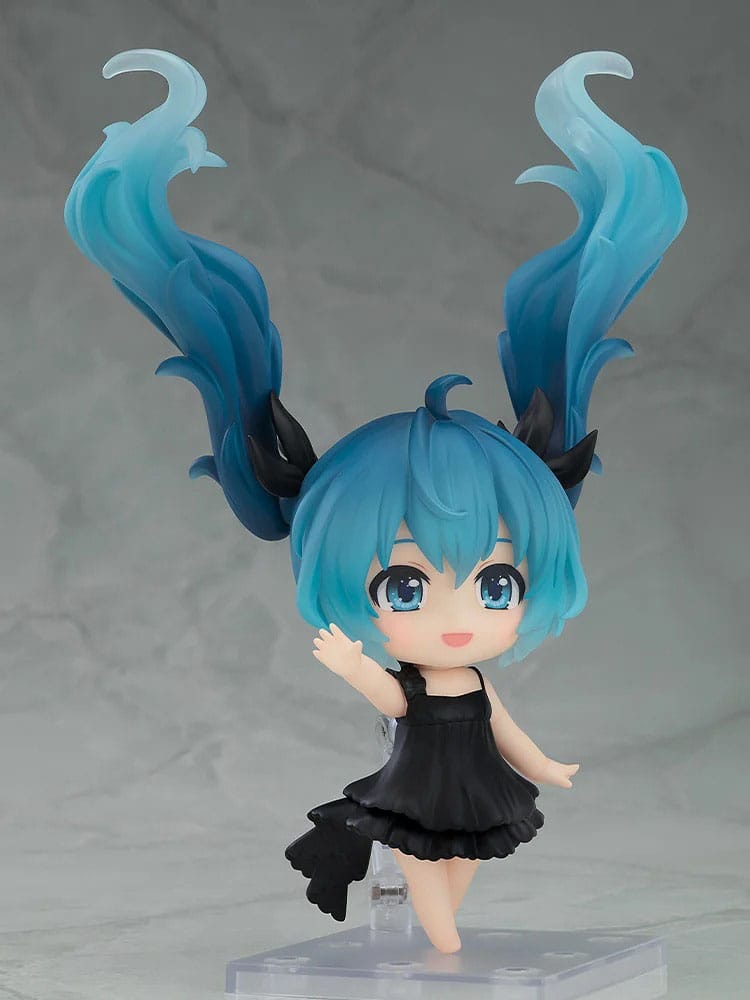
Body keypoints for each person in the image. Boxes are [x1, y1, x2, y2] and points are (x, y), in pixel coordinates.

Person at [64, 48, 687, 953]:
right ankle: (442, 940)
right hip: (417, 783)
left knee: (470, 849)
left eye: (497, 585)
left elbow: (504, 727)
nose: (459, 619)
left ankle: (442, 931)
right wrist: (353, 666)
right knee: (425, 853)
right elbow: (392, 703)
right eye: (406, 586)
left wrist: (545, 764)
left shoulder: (474, 680)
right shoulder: (416, 683)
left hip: (476, 787)